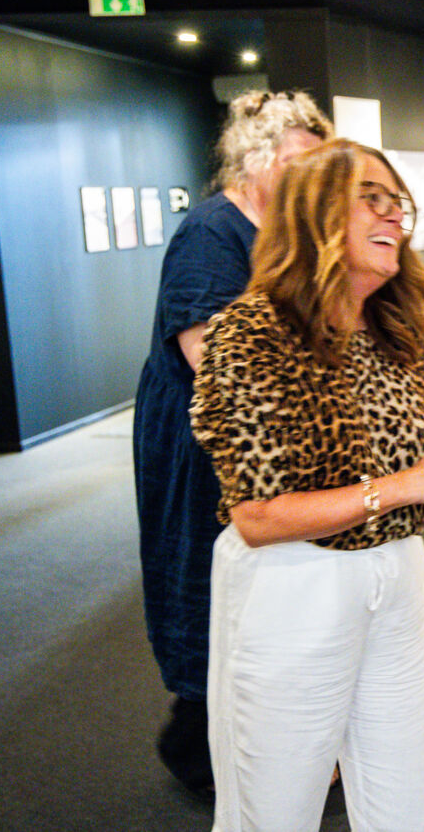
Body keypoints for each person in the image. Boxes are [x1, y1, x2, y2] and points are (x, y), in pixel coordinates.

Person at [189, 139, 424, 831]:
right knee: (276, 802)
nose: (395, 218)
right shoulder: (250, 333)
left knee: (402, 798)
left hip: (398, 577)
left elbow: (394, 465)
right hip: (293, 585)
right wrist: (403, 486)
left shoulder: (399, 330)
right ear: (316, 215)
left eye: (398, 203)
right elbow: (257, 515)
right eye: (372, 199)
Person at [132, 89, 330, 798]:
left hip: (272, 434)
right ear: (257, 159)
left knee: (275, 589)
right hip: (207, 442)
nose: (317, 179)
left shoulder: (288, 232)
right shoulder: (211, 232)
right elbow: (213, 357)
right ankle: (199, 747)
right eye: (303, 164)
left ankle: (269, 740)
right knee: (214, 580)